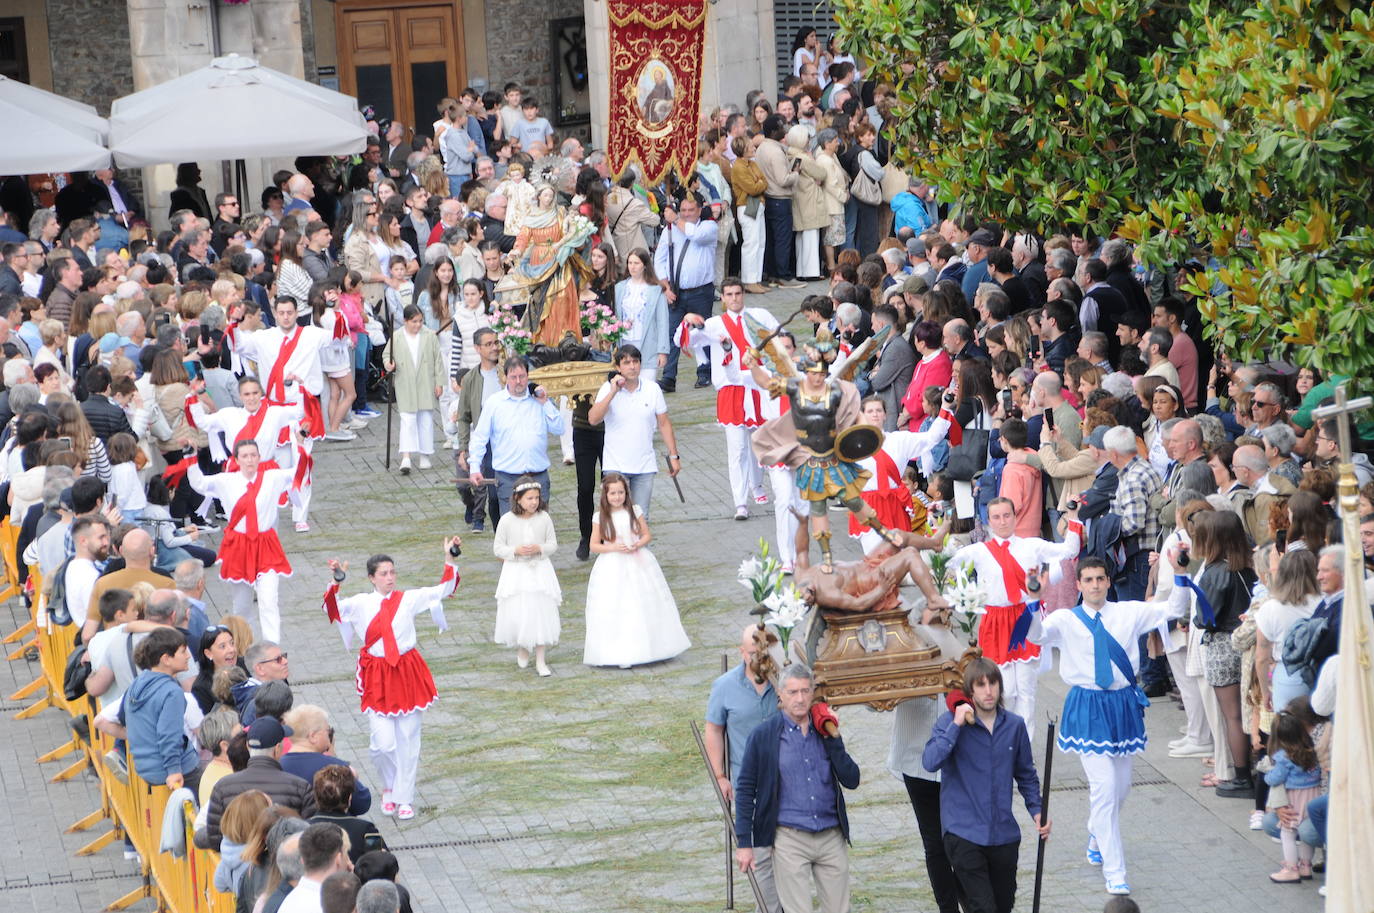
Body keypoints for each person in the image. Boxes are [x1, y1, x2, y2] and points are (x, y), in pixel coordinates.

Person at [1034, 558, 1189, 896]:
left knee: (1121, 789)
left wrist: (1179, 572)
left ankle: (1095, 832)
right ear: (1078, 584)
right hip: (1087, 706)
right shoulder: (1065, 619)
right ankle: (1115, 870)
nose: (1094, 585)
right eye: (1088, 580)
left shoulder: (1128, 612)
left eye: (1100, 579)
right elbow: (1036, 634)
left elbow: (1174, 607)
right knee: (1104, 788)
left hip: (1121, 705)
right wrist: (1035, 597)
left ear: (1108, 581)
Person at [323, 538, 460, 821]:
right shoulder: (361, 603)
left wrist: (449, 558)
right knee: (382, 744)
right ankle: (389, 786)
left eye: (392, 572)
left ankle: (405, 797)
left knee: (409, 739)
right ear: (371, 578)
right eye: (383, 574)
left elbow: (442, 590)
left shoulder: (407, 598)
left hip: (406, 671)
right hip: (378, 674)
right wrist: (337, 580)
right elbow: (332, 610)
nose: (389, 578)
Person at [922, 657, 1048, 913]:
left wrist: (1037, 810)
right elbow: (929, 762)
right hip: (963, 832)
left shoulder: (1014, 726)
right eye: (980, 685)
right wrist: (956, 725)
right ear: (970, 691)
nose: (988, 691)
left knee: (1003, 906)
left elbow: (1025, 773)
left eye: (992, 684)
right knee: (983, 907)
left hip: (1003, 834)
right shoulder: (949, 724)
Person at [947, 498, 1083, 734]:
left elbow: (1069, 550)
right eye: (997, 517)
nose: (1002, 522)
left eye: (1007, 515)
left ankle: (1024, 751)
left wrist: (1073, 518)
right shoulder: (978, 551)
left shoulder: (1032, 545)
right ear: (989, 521)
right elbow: (946, 562)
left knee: (1027, 691)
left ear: (1015, 516)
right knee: (1005, 691)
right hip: (995, 623)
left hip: (1025, 620)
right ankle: (1002, 742)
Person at [734, 664, 859, 913]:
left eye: (805, 691)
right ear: (780, 694)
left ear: (813, 692)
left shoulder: (825, 730)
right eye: (792, 692)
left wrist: (834, 739)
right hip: (790, 838)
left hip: (830, 835)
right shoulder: (764, 736)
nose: (800, 699)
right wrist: (744, 843)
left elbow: (852, 779)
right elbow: (746, 789)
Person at [677, 279, 776, 518]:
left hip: (758, 386)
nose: (734, 298)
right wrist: (687, 323)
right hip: (731, 390)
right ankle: (739, 502)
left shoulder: (759, 315)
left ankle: (757, 485)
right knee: (737, 448)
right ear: (722, 297)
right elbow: (683, 341)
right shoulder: (712, 324)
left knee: (760, 443)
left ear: (743, 294)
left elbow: (780, 337)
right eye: (729, 294)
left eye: (738, 293)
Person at [232, 296, 331, 532]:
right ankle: (276, 505)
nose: (286, 317)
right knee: (279, 463)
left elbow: (338, 335)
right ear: (275, 314)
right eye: (281, 313)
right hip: (274, 408)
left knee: (302, 461)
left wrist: (331, 306)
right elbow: (237, 344)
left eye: (290, 312)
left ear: (297, 313)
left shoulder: (310, 334)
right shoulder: (263, 338)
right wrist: (234, 321)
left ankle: (301, 515)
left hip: (302, 407)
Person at [705, 626, 783, 913]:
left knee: (788, 851)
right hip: (747, 784)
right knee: (760, 855)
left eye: (764, 653)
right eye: (753, 653)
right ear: (741, 652)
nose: (759, 659)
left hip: (786, 779)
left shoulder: (783, 680)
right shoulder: (725, 686)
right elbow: (714, 729)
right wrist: (720, 776)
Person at [186, 439, 295, 642]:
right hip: (239, 546)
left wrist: (301, 443)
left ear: (260, 458)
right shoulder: (226, 481)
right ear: (237, 459)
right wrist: (190, 457)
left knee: (269, 600)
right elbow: (199, 483)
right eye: (244, 456)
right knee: (242, 604)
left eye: (253, 455)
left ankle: (272, 647)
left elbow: (299, 473)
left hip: (265, 544)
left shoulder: (272, 477)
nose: (250, 460)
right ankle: (244, 648)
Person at [582, 473, 690, 668]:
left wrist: (637, 543)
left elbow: (646, 534)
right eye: (613, 493)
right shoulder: (600, 517)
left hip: (637, 560)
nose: (617, 497)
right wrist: (614, 547)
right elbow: (594, 545)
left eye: (620, 493)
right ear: (605, 495)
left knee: (642, 600)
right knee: (618, 603)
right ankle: (618, 650)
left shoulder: (635, 510)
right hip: (612, 564)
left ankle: (652, 646)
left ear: (626, 493)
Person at [493, 184, 591, 346]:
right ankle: (544, 339)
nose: (549, 199)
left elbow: (569, 232)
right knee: (542, 300)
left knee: (563, 297)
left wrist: (576, 237)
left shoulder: (560, 213)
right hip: (539, 260)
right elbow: (523, 238)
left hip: (560, 259)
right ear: (538, 196)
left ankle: (565, 337)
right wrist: (517, 250)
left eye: (551, 195)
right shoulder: (531, 216)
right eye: (545, 195)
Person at [587, 345, 681, 514]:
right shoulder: (607, 389)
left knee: (641, 517)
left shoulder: (652, 389)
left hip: (644, 466)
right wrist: (612, 393)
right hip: (615, 465)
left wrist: (674, 455)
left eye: (635, 362)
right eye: (626, 362)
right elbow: (593, 419)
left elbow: (664, 423)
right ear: (618, 367)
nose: (632, 366)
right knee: (616, 517)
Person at [467, 355, 564, 517]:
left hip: (537, 476)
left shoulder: (539, 400)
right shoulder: (495, 403)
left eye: (522, 376)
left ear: (528, 376)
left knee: (539, 528)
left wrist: (545, 403)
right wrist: (475, 468)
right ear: (505, 378)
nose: (518, 381)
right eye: (513, 377)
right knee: (512, 530)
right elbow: (479, 438)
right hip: (508, 478)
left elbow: (559, 429)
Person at [492, 477, 561, 677]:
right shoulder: (506, 520)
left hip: (540, 570)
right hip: (516, 572)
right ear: (518, 499)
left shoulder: (544, 518)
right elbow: (498, 548)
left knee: (541, 611)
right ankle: (523, 646)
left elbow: (552, 544)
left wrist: (540, 548)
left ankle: (541, 660)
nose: (534, 502)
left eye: (536, 498)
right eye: (529, 498)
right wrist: (516, 551)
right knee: (521, 612)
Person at [121, 626, 202, 794]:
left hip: (145, 768)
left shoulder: (137, 683)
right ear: (166, 659)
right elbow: (169, 735)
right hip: (173, 772)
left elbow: (123, 717)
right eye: (183, 651)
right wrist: (174, 771)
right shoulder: (172, 692)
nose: (188, 656)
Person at [656, 194, 720, 392]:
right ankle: (668, 377)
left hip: (701, 291)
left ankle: (705, 372)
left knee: (703, 331)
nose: (686, 214)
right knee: (672, 334)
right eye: (683, 210)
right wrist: (665, 287)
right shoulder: (670, 230)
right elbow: (660, 259)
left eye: (690, 210)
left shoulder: (709, 227)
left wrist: (675, 219)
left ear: (699, 210)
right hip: (676, 291)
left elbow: (696, 236)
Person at [382, 304, 445, 474]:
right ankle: (406, 456)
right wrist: (389, 364)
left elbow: (438, 360)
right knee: (407, 419)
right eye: (414, 322)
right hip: (406, 382)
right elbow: (387, 355)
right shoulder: (397, 337)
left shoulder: (429, 336)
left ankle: (425, 454)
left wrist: (439, 382)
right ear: (405, 321)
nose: (417, 325)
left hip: (425, 380)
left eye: (420, 321)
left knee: (425, 419)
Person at [1262, 710, 1323, 883]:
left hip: (1295, 798)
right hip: (1313, 794)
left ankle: (1291, 868)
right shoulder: (1312, 751)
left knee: (1288, 832)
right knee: (1305, 836)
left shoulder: (1283, 757)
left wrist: (1266, 774)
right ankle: (1305, 866)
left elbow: (1276, 778)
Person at [612, 249, 670, 382]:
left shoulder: (656, 289)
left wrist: (662, 351)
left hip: (648, 344)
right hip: (625, 341)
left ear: (644, 265)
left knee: (648, 384)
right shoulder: (620, 287)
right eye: (630, 263)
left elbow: (662, 321)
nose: (632, 266)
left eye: (636, 263)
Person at [309, 765, 384, 865]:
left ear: (316, 797)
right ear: (349, 798)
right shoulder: (366, 829)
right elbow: (380, 863)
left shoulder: (303, 827)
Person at [277, 823, 349, 913]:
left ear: (302, 861)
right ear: (338, 859)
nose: (349, 863)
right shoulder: (331, 906)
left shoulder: (289, 901)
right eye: (346, 854)